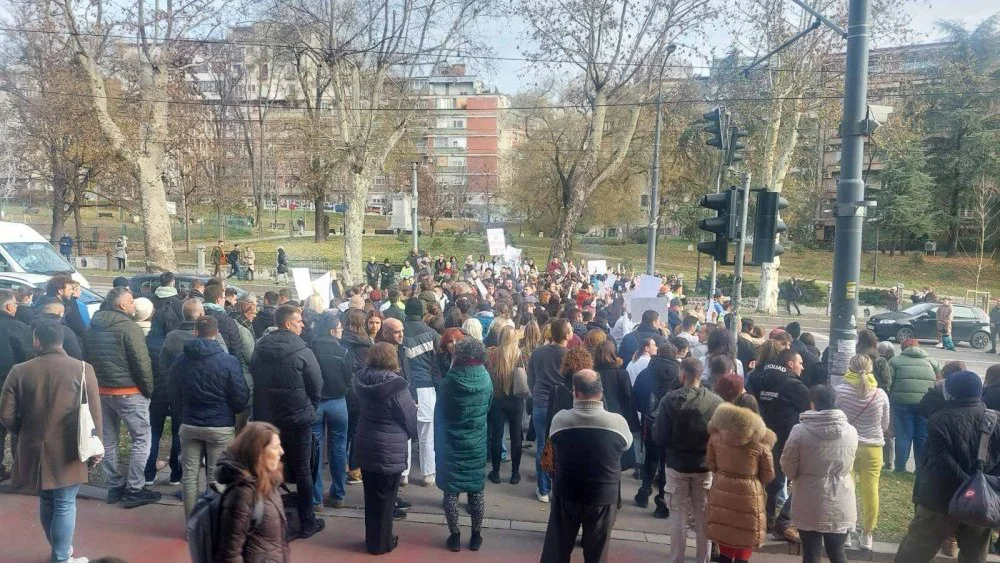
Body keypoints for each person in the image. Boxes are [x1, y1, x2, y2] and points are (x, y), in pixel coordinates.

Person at [0, 320, 101, 563]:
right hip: (70, 447)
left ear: (37, 339)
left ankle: (60, 551)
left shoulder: (19, 370)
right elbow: (94, 413)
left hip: (32, 444)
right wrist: (97, 445)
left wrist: (21, 431)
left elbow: (5, 414)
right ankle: (61, 556)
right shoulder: (83, 369)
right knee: (65, 502)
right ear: (62, 340)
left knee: (46, 500)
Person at [895, 370, 1000, 562]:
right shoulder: (995, 419)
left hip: (939, 500)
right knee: (975, 555)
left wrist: (966, 485)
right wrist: (978, 486)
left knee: (913, 553)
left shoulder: (940, 419)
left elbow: (943, 462)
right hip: (980, 502)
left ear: (951, 392)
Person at [249, 304, 325, 539]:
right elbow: (317, 385)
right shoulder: (303, 350)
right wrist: (309, 407)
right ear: (287, 323)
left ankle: (268, 520)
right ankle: (307, 521)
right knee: (302, 469)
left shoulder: (260, 346)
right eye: (299, 321)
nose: (303, 324)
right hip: (297, 418)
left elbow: (254, 373)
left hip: (267, 418)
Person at [540, 369, 632, 563]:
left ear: (575, 392)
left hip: (567, 492)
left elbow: (553, 439)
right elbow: (627, 445)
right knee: (596, 553)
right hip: (603, 495)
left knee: (557, 550)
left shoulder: (561, 419)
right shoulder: (618, 423)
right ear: (601, 391)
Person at [84, 287, 160, 508]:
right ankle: (135, 488)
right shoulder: (129, 328)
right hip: (129, 391)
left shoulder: (91, 327)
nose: (133, 305)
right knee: (141, 438)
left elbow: (86, 359)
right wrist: (148, 389)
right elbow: (141, 363)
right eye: (130, 301)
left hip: (102, 392)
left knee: (109, 439)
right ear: (120, 305)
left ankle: (114, 486)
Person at [169, 315, 249, 516]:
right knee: (217, 478)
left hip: (190, 423)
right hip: (219, 425)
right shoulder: (228, 361)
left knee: (189, 475)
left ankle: (191, 525)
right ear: (217, 333)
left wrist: (182, 413)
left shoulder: (181, 360)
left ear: (195, 332)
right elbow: (240, 396)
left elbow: (173, 390)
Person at [654, 357, 724, 563]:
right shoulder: (715, 402)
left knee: (678, 517)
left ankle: (677, 559)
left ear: (682, 374)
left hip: (676, 465)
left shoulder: (669, 400)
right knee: (704, 517)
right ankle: (703, 558)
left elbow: (659, 435)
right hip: (704, 466)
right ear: (700, 375)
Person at [781, 385, 858, 563]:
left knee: (811, 553)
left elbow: (788, 464)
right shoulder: (851, 432)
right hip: (841, 497)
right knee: (837, 552)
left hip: (809, 497)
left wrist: (796, 477)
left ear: (812, 403)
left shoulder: (800, 431)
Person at [354, 341, 417, 555]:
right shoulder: (397, 385)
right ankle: (382, 543)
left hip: (366, 441)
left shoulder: (360, 379)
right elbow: (409, 417)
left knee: (371, 496)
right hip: (390, 446)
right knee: (387, 498)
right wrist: (412, 434)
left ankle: (372, 539)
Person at [434, 338, 493, 552]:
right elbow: (487, 406)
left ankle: (455, 536)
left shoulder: (450, 381)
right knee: (476, 491)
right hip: (476, 442)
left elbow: (441, 411)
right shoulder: (486, 378)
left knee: (451, 492)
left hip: (451, 442)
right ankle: (476, 536)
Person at [706, 400, 775, 563]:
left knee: (725, 533)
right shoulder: (761, 444)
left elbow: (711, 464)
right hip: (750, 494)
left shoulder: (716, 437)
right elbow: (768, 475)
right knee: (745, 534)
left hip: (722, 489)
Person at [835, 355, 889, 551]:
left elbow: (836, 417)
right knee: (871, 490)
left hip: (847, 445)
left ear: (849, 368)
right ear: (871, 369)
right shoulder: (880, 394)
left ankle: (847, 530)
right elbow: (884, 424)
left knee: (846, 489)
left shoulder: (840, 391)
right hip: (873, 448)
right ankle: (868, 534)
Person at [755, 348, 810, 543]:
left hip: (766, 435)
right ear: (790, 364)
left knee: (774, 479)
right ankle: (783, 521)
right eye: (800, 363)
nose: (802, 367)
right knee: (804, 480)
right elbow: (812, 404)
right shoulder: (792, 384)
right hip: (789, 438)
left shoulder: (760, 377)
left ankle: (767, 518)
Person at [215, 422, 290, 562]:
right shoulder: (243, 494)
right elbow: (229, 554)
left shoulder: (267, 480)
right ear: (258, 453)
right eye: (275, 447)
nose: (281, 451)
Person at [634, 340, 683, 514]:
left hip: (651, 422)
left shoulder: (647, 372)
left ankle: (645, 492)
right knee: (666, 463)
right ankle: (662, 502)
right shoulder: (679, 375)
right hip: (672, 425)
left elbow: (637, 395)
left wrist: (645, 410)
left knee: (651, 459)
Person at [309, 312, 352, 508]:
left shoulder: (310, 349)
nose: (342, 331)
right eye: (340, 328)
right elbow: (348, 377)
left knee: (315, 450)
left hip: (315, 402)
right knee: (339, 448)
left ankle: (315, 498)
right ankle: (338, 495)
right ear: (332, 330)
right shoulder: (342, 352)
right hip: (337, 401)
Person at [528, 318, 570, 503]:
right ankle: (558, 487)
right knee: (562, 446)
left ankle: (543, 488)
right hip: (561, 405)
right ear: (567, 335)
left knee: (541, 445)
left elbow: (531, 378)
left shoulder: (538, 353)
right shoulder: (569, 355)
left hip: (541, 402)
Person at [401, 298, 441, 487]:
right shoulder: (432, 334)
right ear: (423, 313)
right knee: (427, 433)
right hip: (426, 388)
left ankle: (403, 473)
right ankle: (428, 474)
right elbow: (436, 365)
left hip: (402, 387)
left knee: (404, 431)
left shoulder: (398, 332)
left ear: (406, 312)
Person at [888, 338, 940, 472]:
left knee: (903, 435)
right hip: (925, 405)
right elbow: (939, 382)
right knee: (922, 436)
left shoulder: (894, 362)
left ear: (903, 348)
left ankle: (900, 468)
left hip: (901, 403)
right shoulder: (931, 362)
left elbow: (889, 383)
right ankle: (920, 469)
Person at [486, 325, 527, 484]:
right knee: (516, 438)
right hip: (516, 400)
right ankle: (515, 474)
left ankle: (495, 472)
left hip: (498, 400)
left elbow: (487, 372)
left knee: (496, 436)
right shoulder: (521, 355)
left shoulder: (492, 354)